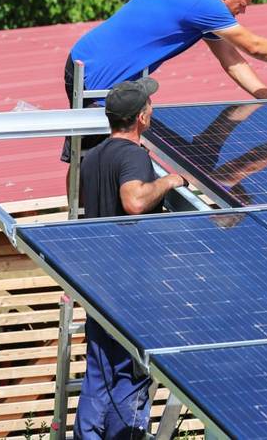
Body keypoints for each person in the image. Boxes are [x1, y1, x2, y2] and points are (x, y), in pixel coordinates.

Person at [61, 0, 267, 165]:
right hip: (95, 78)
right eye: (242, 4)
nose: (243, 11)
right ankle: (79, 222)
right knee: (89, 158)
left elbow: (232, 60)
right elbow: (252, 46)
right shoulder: (204, 5)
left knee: (199, 158)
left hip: (93, 66)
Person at [75, 76, 183, 439]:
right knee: (131, 374)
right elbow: (134, 201)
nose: (152, 109)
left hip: (98, 284)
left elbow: (77, 203)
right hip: (131, 289)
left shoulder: (93, 158)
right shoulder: (134, 155)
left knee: (98, 370)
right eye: (149, 105)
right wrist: (169, 182)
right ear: (141, 117)